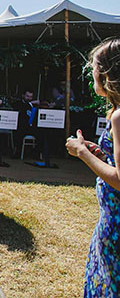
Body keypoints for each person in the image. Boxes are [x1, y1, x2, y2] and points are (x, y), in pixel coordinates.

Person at [66, 37, 120, 297]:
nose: (93, 73)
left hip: (116, 222)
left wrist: (82, 153)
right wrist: (102, 153)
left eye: (96, 67)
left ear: (109, 73)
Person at [11, 88, 39, 158]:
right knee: (19, 133)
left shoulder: (35, 105)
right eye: (27, 96)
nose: (29, 98)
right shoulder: (18, 103)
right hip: (21, 126)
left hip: (32, 127)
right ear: (23, 95)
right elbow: (21, 111)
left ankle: (36, 152)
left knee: (42, 133)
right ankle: (18, 152)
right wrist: (30, 104)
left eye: (31, 97)